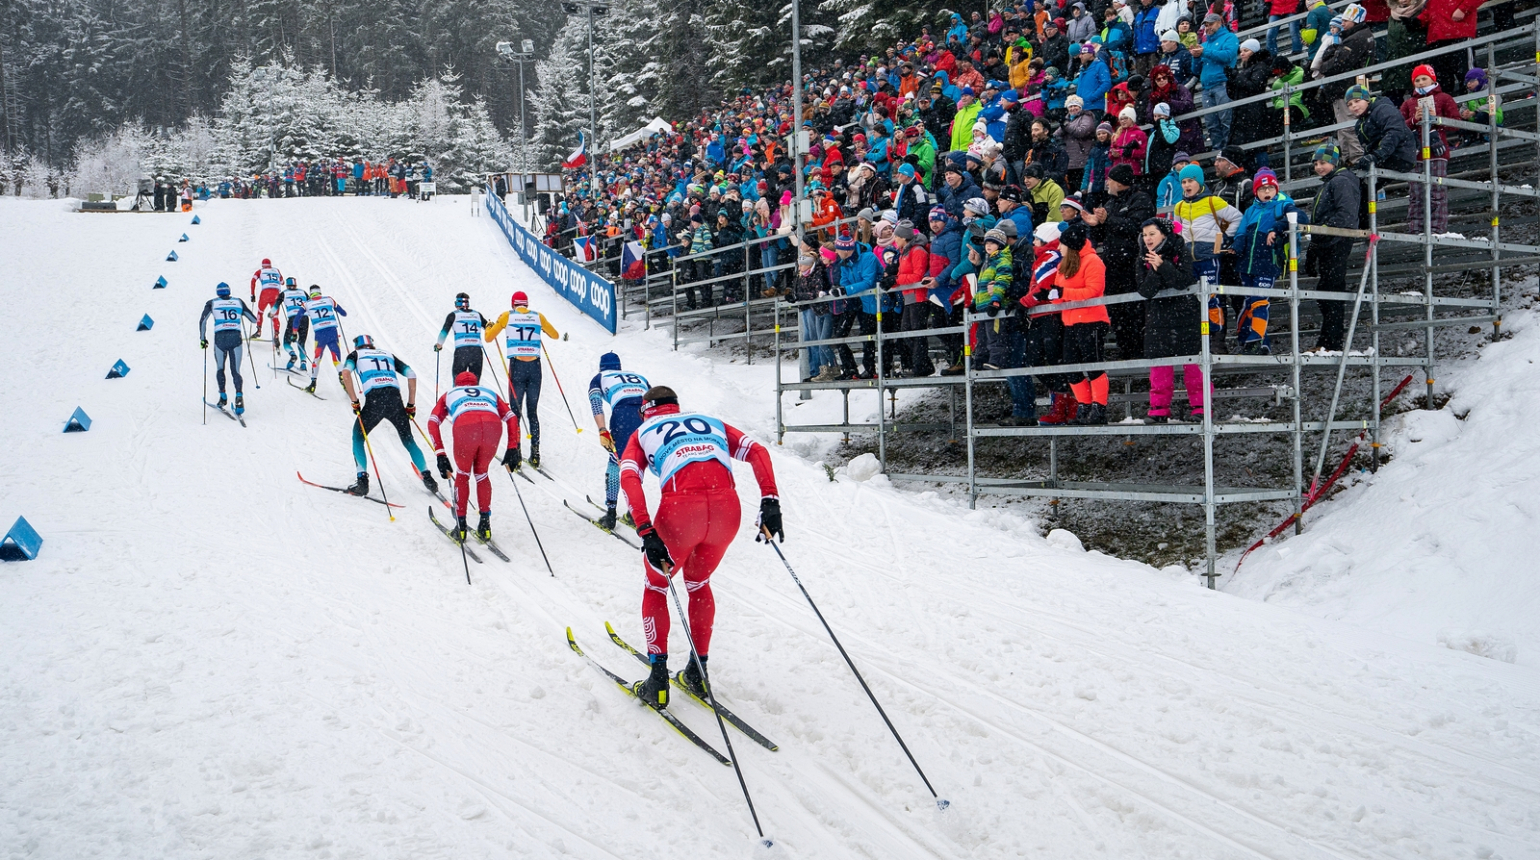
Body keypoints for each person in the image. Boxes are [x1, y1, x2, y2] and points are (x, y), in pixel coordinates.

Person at [619, 386, 781, 708]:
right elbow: (758, 451)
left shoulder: (641, 432)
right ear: (677, 406)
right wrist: (770, 500)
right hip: (726, 512)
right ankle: (698, 671)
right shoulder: (711, 421)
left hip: (680, 512)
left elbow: (629, 477)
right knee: (698, 583)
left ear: (645, 411)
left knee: (656, 588)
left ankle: (658, 679)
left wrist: (645, 528)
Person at [339, 334, 438, 497]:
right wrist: (411, 404)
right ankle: (428, 477)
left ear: (357, 346)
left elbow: (346, 374)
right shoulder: (387, 354)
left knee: (358, 438)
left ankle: (362, 481)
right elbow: (411, 374)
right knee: (408, 440)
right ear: (372, 345)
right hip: (395, 400)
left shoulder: (355, 355)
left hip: (374, 401)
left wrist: (354, 401)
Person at [428, 371, 521, 541]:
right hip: (493, 426)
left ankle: (461, 527)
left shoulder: (450, 394)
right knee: (482, 473)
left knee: (463, 474)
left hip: (466, 426)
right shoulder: (489, 392)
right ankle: (485, 526)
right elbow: (511, 416)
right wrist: (512, 447)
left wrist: (440, 453)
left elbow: (433, 421)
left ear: (457, 384)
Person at [1135, 216, 1207, 422]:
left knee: (1193, 363)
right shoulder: (1141, 258)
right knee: (1159, 364)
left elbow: (1184, 280)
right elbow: (1145, 290)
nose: (1147, 239)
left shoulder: (1180, 251)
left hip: (1186, 313)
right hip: (1157, 316)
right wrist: (1156, 269)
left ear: (1164, 235)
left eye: (1152, 234)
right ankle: (1158, 408)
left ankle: (1201, 407)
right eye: (1144, 234)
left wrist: (1163, 265)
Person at [483, 291, 561, 468]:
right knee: (532, 412)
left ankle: (516, 455)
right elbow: (555, 335)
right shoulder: (537, 316)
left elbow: (488, 338)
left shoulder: (506, 316)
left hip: (517, 367)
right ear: (526, 304)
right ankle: (535, 454)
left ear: (513, 304)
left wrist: (489, 325)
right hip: (535, 368)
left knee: (515, 413)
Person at [1232, 168, 1306, 354]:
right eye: (1262, 189)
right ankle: (1253, 341)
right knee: (1250, 302)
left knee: (1260, 300)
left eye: (1270, 188)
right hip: (1247, 263)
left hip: (1269, 261)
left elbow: (1301, 218)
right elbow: (1241, 232)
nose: (1267, 192)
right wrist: (1237, 246)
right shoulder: (1250, 210)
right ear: (1255, 191)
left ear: (1276, 190)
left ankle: (1255, 339)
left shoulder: (1282, 205)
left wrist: (1277, 228)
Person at [1085, 163, 1154, 359]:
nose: (1107, 183)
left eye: (1111, 180)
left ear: (1120, 182)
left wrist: (1108, 220)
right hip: (1112, 265)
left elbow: (1136, 227)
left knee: (1134, 310)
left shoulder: (1140, 199)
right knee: (1117, 311)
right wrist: (1095, 224)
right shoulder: (1110, 203)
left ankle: (1139, 351)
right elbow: (1103, 232)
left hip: (1132, 263)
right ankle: (1126, 349)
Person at [1172, 163, 1242, 352]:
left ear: (1199, 182)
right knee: (1194, 300)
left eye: (1191, 181)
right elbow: (1176, 230)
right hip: (1189, 259)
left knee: (1213, 298)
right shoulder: (1179, 206)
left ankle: (1217, 340)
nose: (1187, 185)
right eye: (1184, 181)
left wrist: (1223, 238)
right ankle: (1200, 339)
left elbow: (1237, 218)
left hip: (1209, 257)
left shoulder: (1213, 201)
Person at [1053, 223, 1111, 424]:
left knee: (1093, 364)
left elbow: (1093, 291)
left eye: (1062, 245)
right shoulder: (1064, 265)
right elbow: (1059, 291)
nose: (1059, 248)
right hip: (1070, 321)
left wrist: (1063, 294)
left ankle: (1099, 407)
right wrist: (1053, 295)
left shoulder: (1093, 261)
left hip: (1092, 320)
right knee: (1071, 366)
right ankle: (1084, 405)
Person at [1305, 144, 1360, 351]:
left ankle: (1331, 342)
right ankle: (1327, 341)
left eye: (1323, 163)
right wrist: (1315, 245)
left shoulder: (1341, 181)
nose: (1319, 167)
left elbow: (1345, 215)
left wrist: (1325, 231)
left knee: (1332, 291)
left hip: (1337, 240)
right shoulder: (1330, 183)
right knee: (1326, 290)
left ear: (1334, 163)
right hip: (1328, 240)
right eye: (1316, 163)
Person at [588, 352, 651, 531]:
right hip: (646, 416)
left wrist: (602, 430)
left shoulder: (600, 377)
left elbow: (596, 404)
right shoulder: (640, 377)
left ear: (601, 367)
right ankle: (633, 513)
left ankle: (610, 515)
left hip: (623, 415)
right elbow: (655, 401)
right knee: (636, 463)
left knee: (616, 463)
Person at [1399, 65, 1461, 235]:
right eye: (1417, 80)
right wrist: (1413, 120)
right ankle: (1415, 229)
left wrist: (1436, 119)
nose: (1420, 83)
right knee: (1416, 195)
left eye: (1423, 78)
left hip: (1437, 153)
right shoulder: (1408, 103)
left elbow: (1456, 122)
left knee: (1437, 193)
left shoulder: (1444, 98)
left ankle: (1437, 229)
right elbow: (1398, 127)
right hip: (1415, 154)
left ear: (1433, 79)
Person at [1318, 4, 1375, 163]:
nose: (1342, 23)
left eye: (1346, 20)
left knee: (1349, 126)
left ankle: (1357, 160)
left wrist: (1326, 62)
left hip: (1346, 88)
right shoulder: (1360, 35)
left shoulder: (1356, 37)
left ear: (1355, 20)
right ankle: (1349, 160)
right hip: (1346, 88)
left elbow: (1339, 62)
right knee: (1344, 127)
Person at [198, 282, 259, 415]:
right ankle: (239, 398)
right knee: (235, 371)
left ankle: (223, 397)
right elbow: (254, 320)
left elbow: (203, 321)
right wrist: (241, 313)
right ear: (229, 291)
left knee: (220, 368)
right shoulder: (238, 302)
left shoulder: (212, 303)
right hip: (235, 337)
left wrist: (202, 339)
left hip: (220, 338)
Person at [832, 235, 882, 379]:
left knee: (872, 335)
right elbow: (844, 280)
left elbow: (868, 282)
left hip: (874, 301)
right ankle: (861, 369)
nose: (836, 251)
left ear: (846, 250)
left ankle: (874, 368)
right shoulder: (845, 262)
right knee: (862, 334)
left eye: (838, 248)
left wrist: (847, 290)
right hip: (859, 302)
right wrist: (844, 288)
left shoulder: (868, 258)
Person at [1190, 11, 1239, 149]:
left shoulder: (1229, 37)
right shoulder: (1204, 45)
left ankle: (1229, 150)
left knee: (1226, 120)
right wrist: (1195, 57)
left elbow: (1228, 56)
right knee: (1211, 123)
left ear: (1219, 23)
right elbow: (1195, 70)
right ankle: (1218, 151)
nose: (1207, 27)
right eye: (1206, 25)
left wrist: (1204, 52)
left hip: (1223, 83)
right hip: (1207, 87)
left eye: (1210, 24)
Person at [1347, 84, 1417, 175]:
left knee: (1364, 180)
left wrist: (1377, 155)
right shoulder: (1359, 125)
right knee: (1357, 181)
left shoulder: (1383, 109)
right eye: (1349, 104)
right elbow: (1369, 147)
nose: (1353, 106)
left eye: (1357, 101)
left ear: (1367, 100)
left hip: (1400, 156)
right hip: (1384, 158)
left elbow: (1395, 132)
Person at [435, 292, 490, 381]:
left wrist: (439, 345)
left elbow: (444, 332)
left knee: (458, 382)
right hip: (476, 352)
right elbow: (489, 327)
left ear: (457, 304)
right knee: (474, 381)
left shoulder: (453, 315)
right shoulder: (477, 314)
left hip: (462, 351)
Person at [303, 286, 349, 393]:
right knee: (336, 358)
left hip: (320, 335)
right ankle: (342, 377)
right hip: (332, 332)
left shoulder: (308, 303)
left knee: (317, 358)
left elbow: (302, 315)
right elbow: (342, 312)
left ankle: (313, 384)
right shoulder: (328, 299)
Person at [273, 277, 310, 372]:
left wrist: (271, 313)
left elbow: (276, 305)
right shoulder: (303, 292)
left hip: (293, 318)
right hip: (305, 318)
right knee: (302, 343)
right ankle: (303, 364)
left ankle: (293, 355)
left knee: (286, 343)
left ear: (287, 285)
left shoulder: (284, 293)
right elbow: (311, 304)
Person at [249, 258, 284, 343]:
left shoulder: (260, 271)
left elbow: (253, 281)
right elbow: (282, 282)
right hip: (276, 293)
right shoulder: (276, 270)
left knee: (260, 312)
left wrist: (253, 294)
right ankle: (276, 334)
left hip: (265, 293)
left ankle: (259, 330)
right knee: (275, 315)